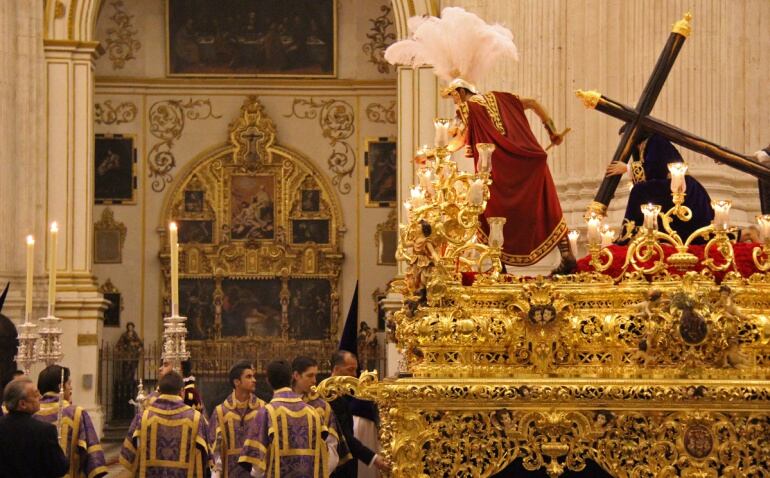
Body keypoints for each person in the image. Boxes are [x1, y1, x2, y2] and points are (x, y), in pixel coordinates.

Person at [384, 7, 574, 274]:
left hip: (498, 172)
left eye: (453, 97)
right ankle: (567, 255)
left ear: (460, 93)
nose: (454, 102)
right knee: (546, 206)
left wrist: (432, 155)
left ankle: (500, 266)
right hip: (529, 160)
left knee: (484, 213)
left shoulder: (468, 107)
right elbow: (532, 103)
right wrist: (551, 129)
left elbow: (458, 141)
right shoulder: (499, 96)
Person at [605, 132, 714, 242]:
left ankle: (627, 236)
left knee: (639, 191)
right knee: (642, 192)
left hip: (683, 190)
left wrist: (627, 168)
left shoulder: (656, 140)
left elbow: (656, 169)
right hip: (669, 188)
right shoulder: (643, 146)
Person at [239, 359, 335, 477]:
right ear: (291, 378)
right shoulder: (313, 412)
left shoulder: (266, 412)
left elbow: (257, 463)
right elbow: (327, 453)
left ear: (268, 381)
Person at [120, 371, 209, 477]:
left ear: (160, 391)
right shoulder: (196, 418)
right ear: (182, 392)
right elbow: (205, 456)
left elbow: (128, 456)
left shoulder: (142, 417)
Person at [34, 365, 108, 478]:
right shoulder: (76, 413)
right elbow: (91, 454)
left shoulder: (31, 413)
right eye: (69, 384)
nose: (71, 388)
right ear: (61, 387)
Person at [329, 351, 391, 478]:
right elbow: (345, 436)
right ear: (336, 369)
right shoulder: (329, 396)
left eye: (355, 370)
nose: (354, 375)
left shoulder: (345, 393)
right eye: (350, 370)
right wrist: (373, 458)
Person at [292, 356, 350, 473]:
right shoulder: (281, 404)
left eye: (315, 375)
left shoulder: (322, 407)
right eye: (310, 375)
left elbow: (331, 445)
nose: (314, 380)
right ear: (296, 376)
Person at [0, 378, 68, 478]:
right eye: (36, 395)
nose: (40, 397)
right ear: (22, 404)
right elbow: (59, 468)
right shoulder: (44, 431)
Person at [208, 362, 265, 478]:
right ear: (237, 382)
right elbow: (215, 448)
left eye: (254, 376)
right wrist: (216, 473)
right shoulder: (221, 411)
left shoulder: (262, 408)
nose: (254, 380)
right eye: (249, 377)